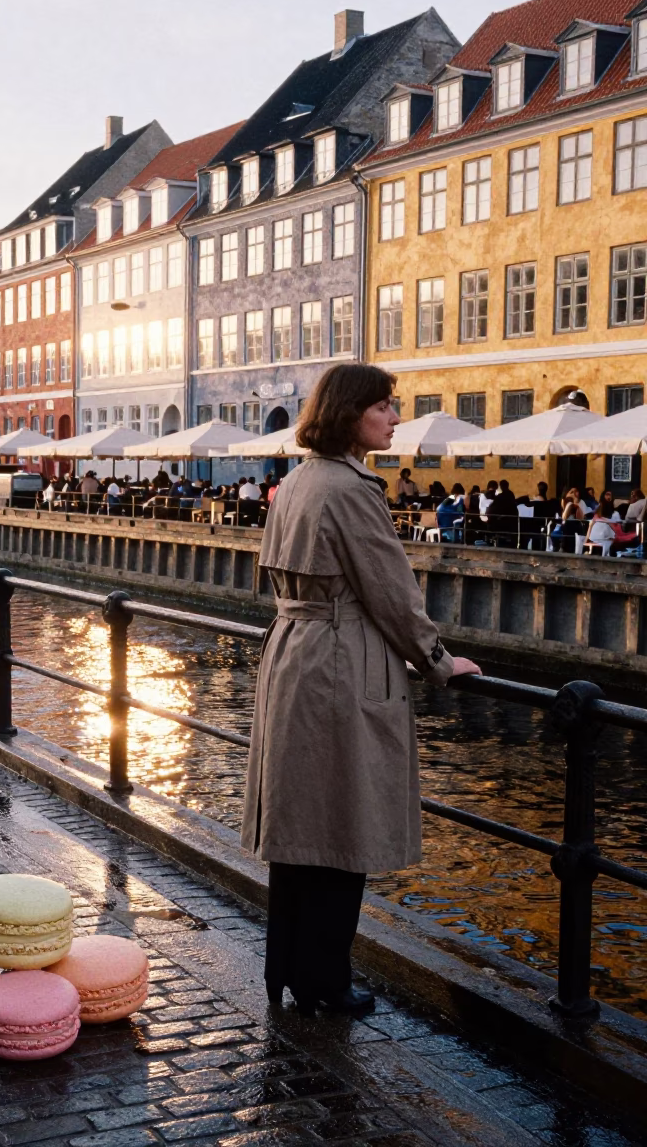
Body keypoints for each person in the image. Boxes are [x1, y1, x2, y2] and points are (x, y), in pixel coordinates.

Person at [241, 363, 481, 1018]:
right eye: (383, 406)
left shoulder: (296, 482)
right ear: (353, 414)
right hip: (339, 665)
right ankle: (326, 980)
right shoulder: (351, 489)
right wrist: (438, 661)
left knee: (299, 832)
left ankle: (288, 969)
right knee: (343, 827)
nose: (395, 417)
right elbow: (391, 592)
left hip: (294, 653)